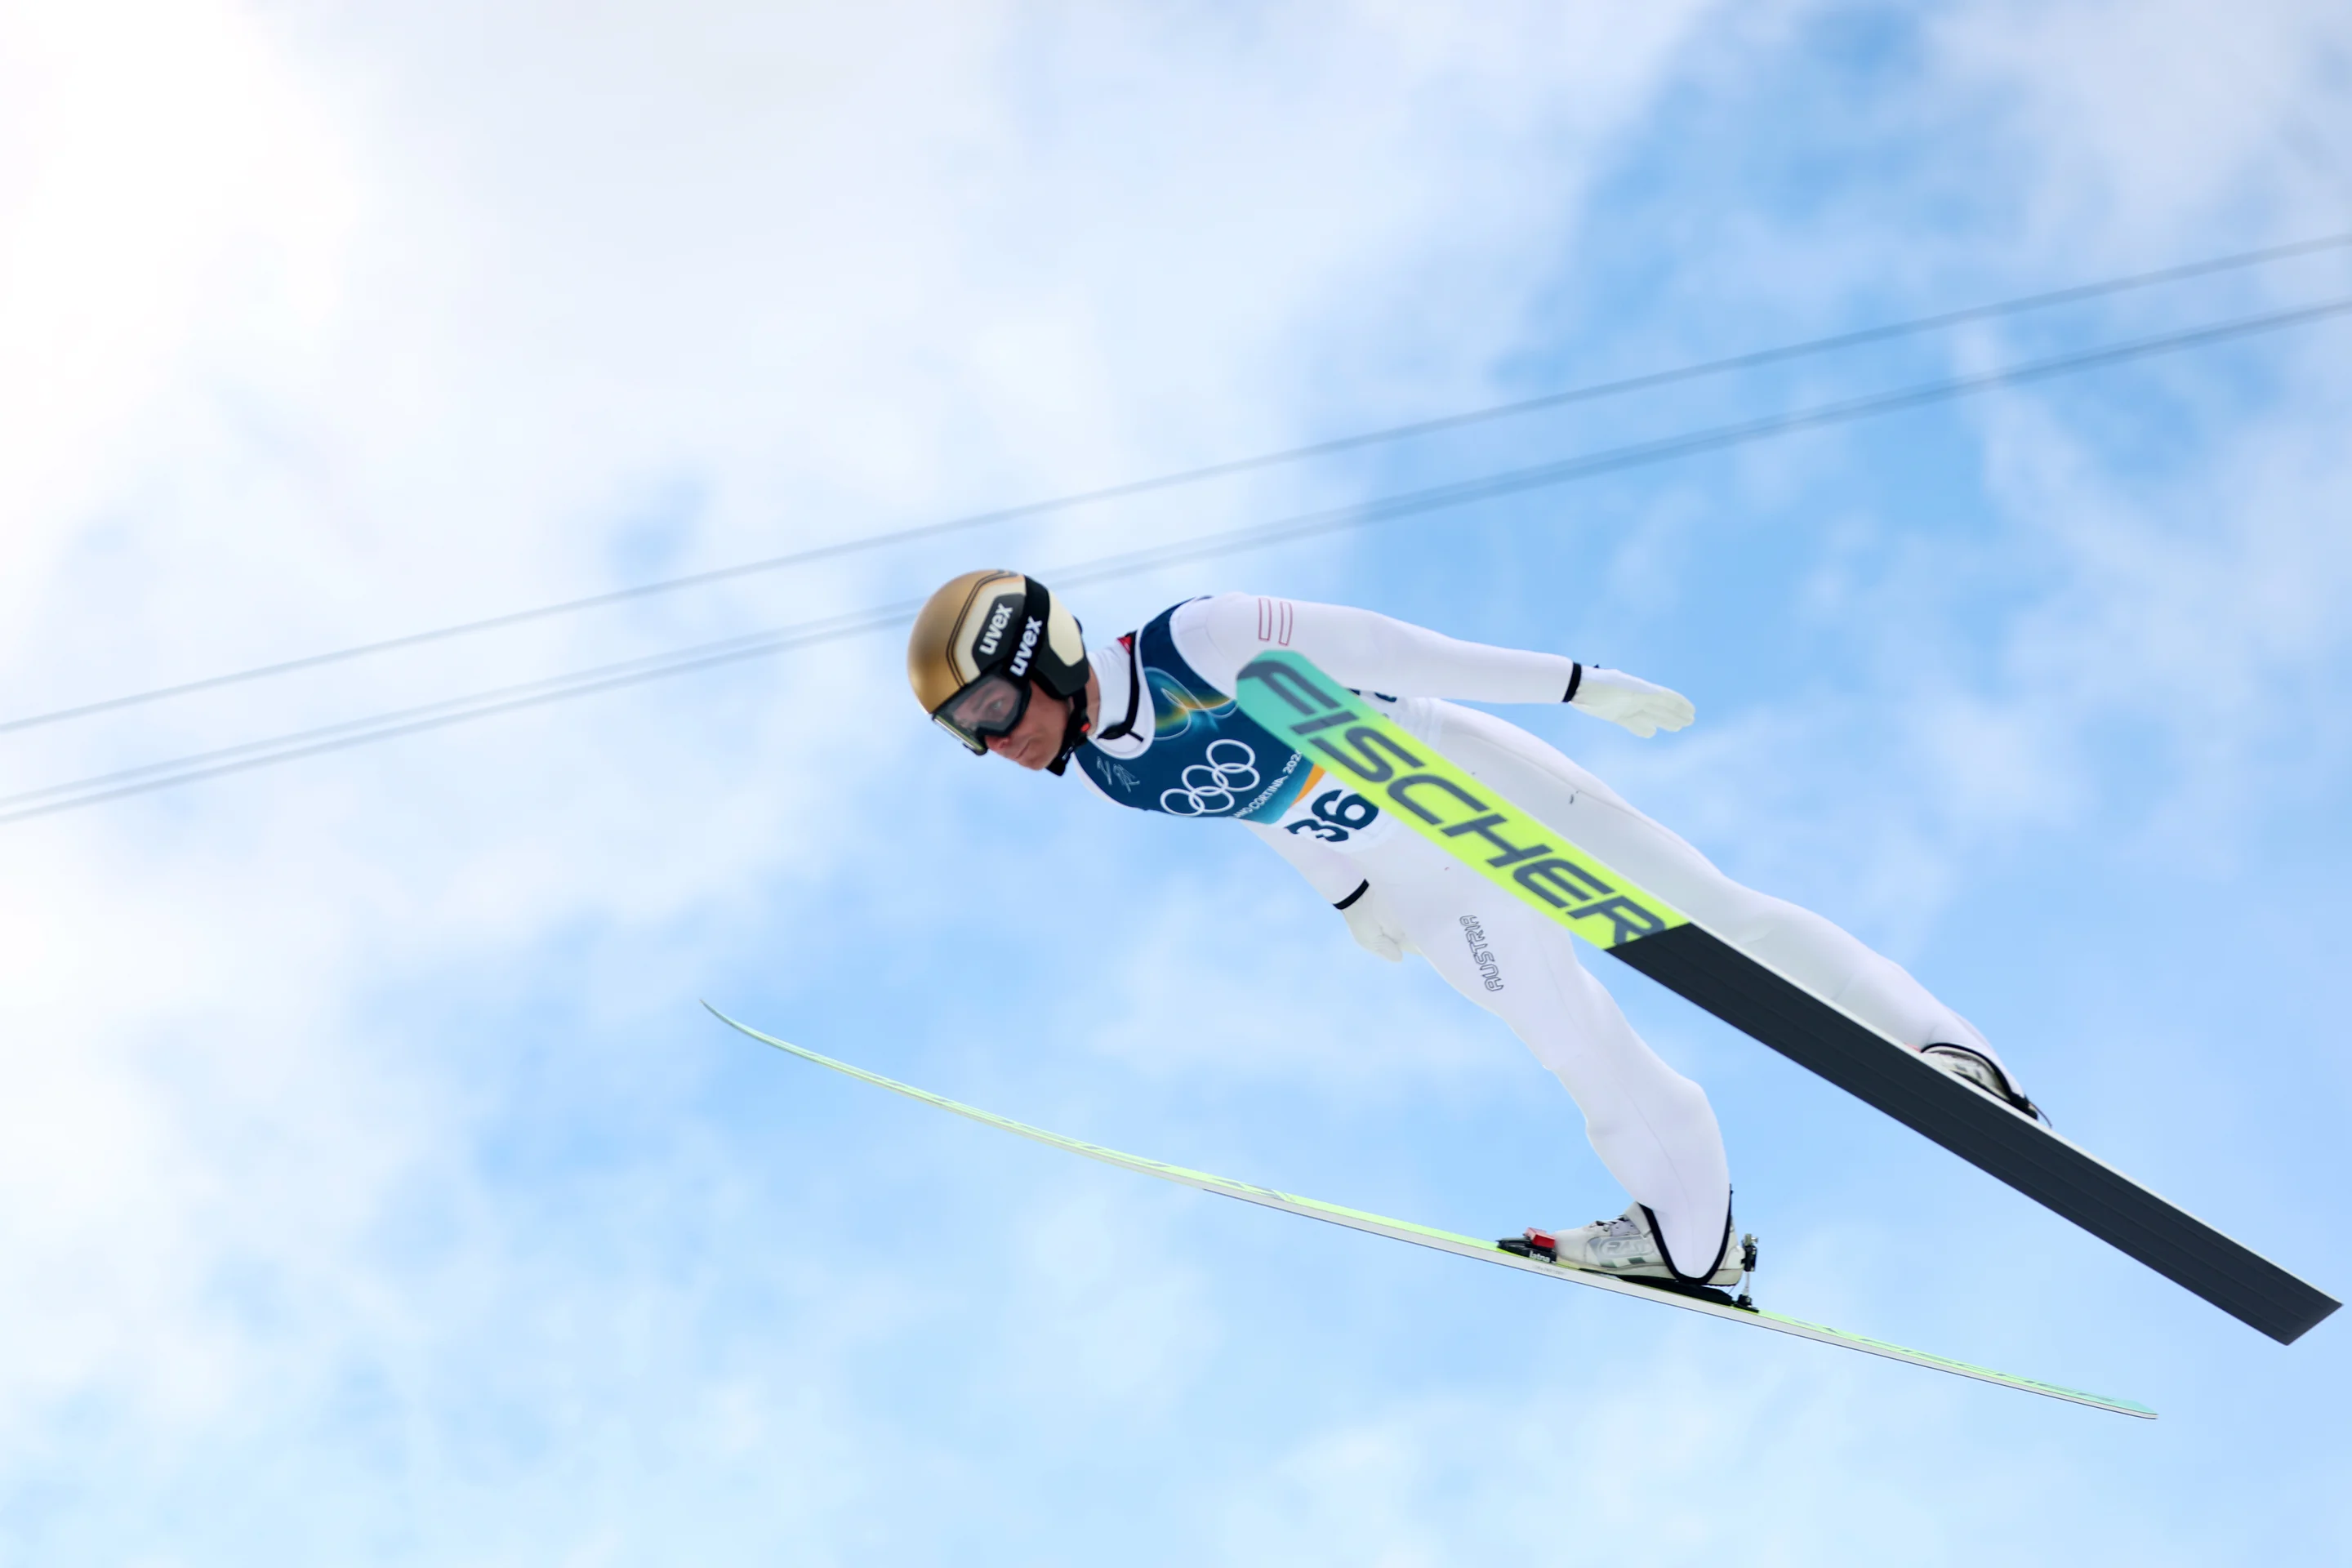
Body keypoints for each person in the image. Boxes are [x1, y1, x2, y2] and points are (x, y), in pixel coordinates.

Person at [906, 570, 2038, 1291]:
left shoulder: (1198, 639)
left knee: (1719, 920)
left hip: (1467, 782)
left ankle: (1944, 1051)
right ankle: (1690, 1238)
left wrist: (1574, 684)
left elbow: (1398, 650)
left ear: (1043, 654)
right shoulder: (1108, 775)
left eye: (992, 708)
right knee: (1577, 1049)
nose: (992, 742)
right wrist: (1351, 900)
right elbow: (1249, 806)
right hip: (1424, 881)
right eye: (967, 734)